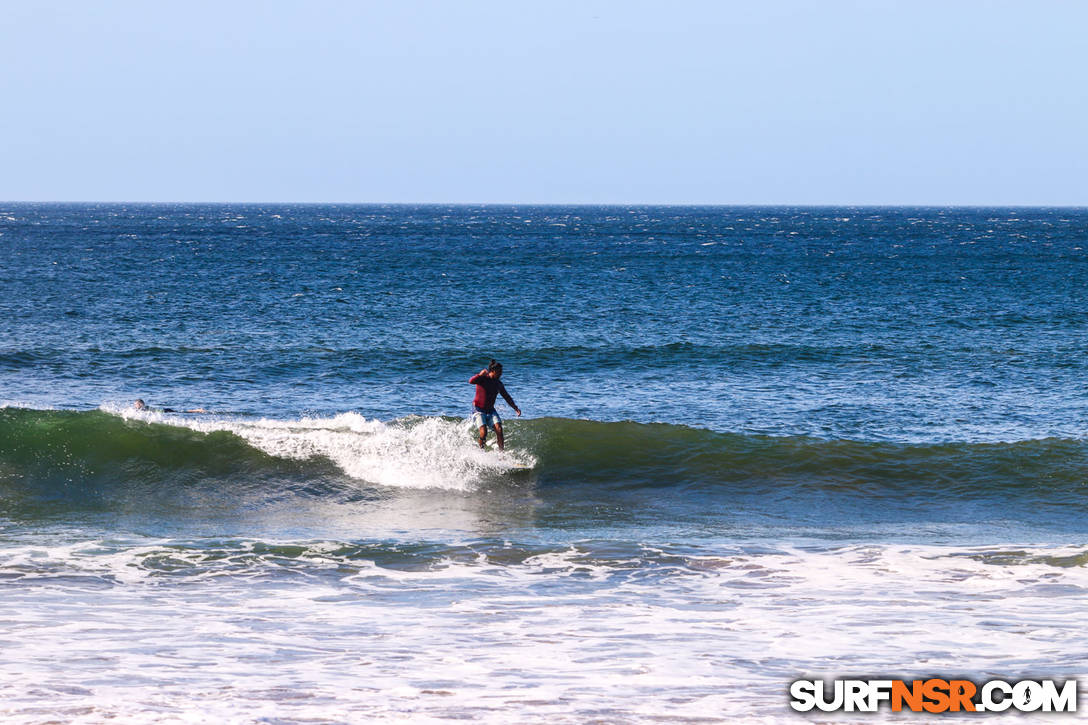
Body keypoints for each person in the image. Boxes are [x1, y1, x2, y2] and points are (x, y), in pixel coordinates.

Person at [469, 359, 521, 450]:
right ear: (493, 371)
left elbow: (506, 397)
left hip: (490, 410)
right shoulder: (483, 379)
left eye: (501, 372)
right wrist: (480, 374)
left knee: (499, 430)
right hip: (478, 409)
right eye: (499, 372)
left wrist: (515, 408)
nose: (501, 374)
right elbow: (471, 381)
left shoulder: (498, 384)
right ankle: (481, 451)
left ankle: (501, 454)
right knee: (483, 432)